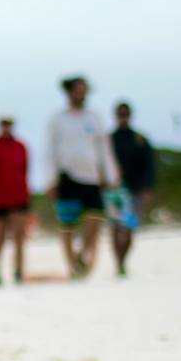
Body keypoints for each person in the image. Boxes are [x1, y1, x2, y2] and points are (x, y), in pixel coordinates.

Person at [46, 75, 121, 279]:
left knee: (95, 220)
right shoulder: (58, 119)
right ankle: (71, 266)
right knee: (67, 224)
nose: (82, 94)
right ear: (69, 92)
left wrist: (111, 174)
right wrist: (50, 180)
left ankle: (82, 256)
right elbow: (50, 150)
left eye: (85, 90)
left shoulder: (93, 118)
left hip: (92, 177)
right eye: (78, 90)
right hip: (67, 177)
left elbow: (104, 148)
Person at [109, 100, 157, 277]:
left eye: (126, 114)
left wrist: (148, 187)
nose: (123, 117)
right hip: (114, 191)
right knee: (115, 227)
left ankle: (122, 261)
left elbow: (149, 165)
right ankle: (118, 263)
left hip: (135, 190)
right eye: (120, 114)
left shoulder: (140, 140)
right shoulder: (109, 139)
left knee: (130, 228)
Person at [0, 115, 30, 286]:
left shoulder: (20, 146)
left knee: (19, 237)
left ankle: (18, 271)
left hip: (19, 197)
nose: (7, 127)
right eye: (4, 124)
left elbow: (25, 171)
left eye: (9, 124)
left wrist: (26, 195)